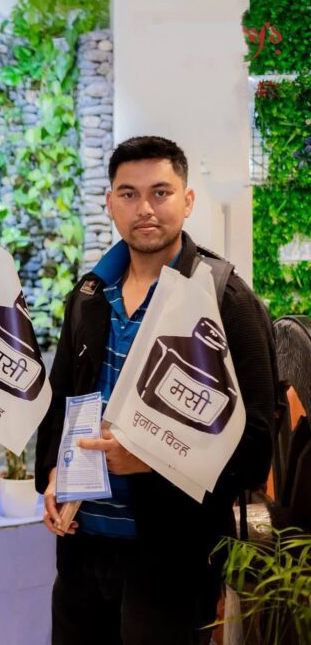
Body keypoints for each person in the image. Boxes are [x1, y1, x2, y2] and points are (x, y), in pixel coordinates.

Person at [34, 136, 277, 645]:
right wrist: (55, 474)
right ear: (110, 204)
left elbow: (256, 445)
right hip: (81, 550)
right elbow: (60, 405)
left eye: (160, 192)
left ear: (187, 201)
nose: (144, 208)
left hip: (172, 558)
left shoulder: (225, 300)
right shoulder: (90, 294)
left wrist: (150, 459)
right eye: (129, 194)